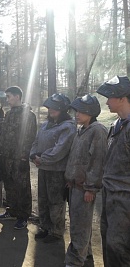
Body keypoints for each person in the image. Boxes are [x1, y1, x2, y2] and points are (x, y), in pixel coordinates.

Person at [64, 94, 108, 267]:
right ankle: (86, 253)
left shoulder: (98, 130)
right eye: (76, 111)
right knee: (78, 222)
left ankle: (75, 261)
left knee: (79, 226)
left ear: (91, 112)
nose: (76, 114)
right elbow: (75, 157)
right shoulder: (81, 130)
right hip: (75, 186)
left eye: (81, 112)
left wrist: (91, 187)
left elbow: (98, 161)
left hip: (85, 189)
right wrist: (70, 178)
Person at [30, 93, 76, 243]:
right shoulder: (45, 124)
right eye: (50, 107)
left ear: (63, 110)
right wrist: (33, 155)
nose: (51, 110)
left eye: (55, 108)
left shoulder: (68, 127)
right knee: (43, 200)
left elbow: (60, 150)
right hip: (43, 169)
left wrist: (41, 159)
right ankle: (45, 227)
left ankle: (56, 231)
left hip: (57, 171)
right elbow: (36, 141)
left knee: (55, 202)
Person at [96, 75, 130, 266]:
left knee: (120, 247)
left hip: (126, 196)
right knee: (108, 241)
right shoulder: (116, 125)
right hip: (110, 194)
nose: (107, 101)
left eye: (110, 97)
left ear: (122, 98)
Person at [0, 86, 37, 230]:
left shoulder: (28, 115)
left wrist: (24, 156)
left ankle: (23, 216)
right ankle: (12, 210)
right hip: (6, 157)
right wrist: (0, 153)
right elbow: (4, 135)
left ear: (17, 96)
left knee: (22, 187)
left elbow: (29, 137)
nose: (7, 99)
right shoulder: (9, 114)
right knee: (9, 186)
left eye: (9, 96)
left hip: (19, 158)